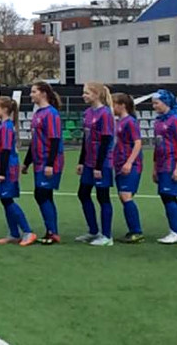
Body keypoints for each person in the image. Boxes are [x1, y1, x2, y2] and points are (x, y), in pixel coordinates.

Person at [21, 81, 64, 245]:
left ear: (43, 93)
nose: (31, 95)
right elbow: (35, 141)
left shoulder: (51, 113)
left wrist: (50, 164)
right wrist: (27, 162)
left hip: (48, 160)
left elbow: (54, 140)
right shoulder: (38, 113)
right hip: (39, 160)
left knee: (42, 194)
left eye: (34, 91)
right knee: (44, 194)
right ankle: (52, 231)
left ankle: (52, 232)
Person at [76, 82, 116, 246]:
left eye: (86, 93)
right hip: (89, 162)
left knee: (103, 196)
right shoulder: (87, 113)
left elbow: (106, 141)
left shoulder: (105, 114)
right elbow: (86, 140)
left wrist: (99, 166)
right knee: (83, 193)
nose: (84, 96)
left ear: (96, 94)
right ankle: (93, 230)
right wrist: (81, 161)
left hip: (102, 162)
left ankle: (107, 236)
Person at [0, 96, 35, 246]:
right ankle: (14, 233)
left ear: (4, 110)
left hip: (8, 169)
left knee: (8, 200)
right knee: (5, 200)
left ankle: (28, 231)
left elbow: (5, 151)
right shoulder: (2, 126)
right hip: (2, 167)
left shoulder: (7, 127)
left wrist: (2, 172)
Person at [151, 89, 177, 244]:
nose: (154, 106)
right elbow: (157, 146)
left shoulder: (175, 120)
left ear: (165, 102)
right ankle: (174, 230)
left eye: (156, 103)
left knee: (169, 196)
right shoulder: (159, 121)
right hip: (161, 163)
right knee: (165, 196)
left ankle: (176, 232)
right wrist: (154, 167)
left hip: (171, 163)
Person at [112, 93, 145, 243]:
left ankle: (137, 231)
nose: (111, 107)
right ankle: (132, 230)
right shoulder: (120, 121)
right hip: (120, 163)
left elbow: (138, 143)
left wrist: (129, 162)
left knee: (126, 195)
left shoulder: (130, 122)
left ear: (122, 105)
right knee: (123, 196)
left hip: (130, 164)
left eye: (113, 104)